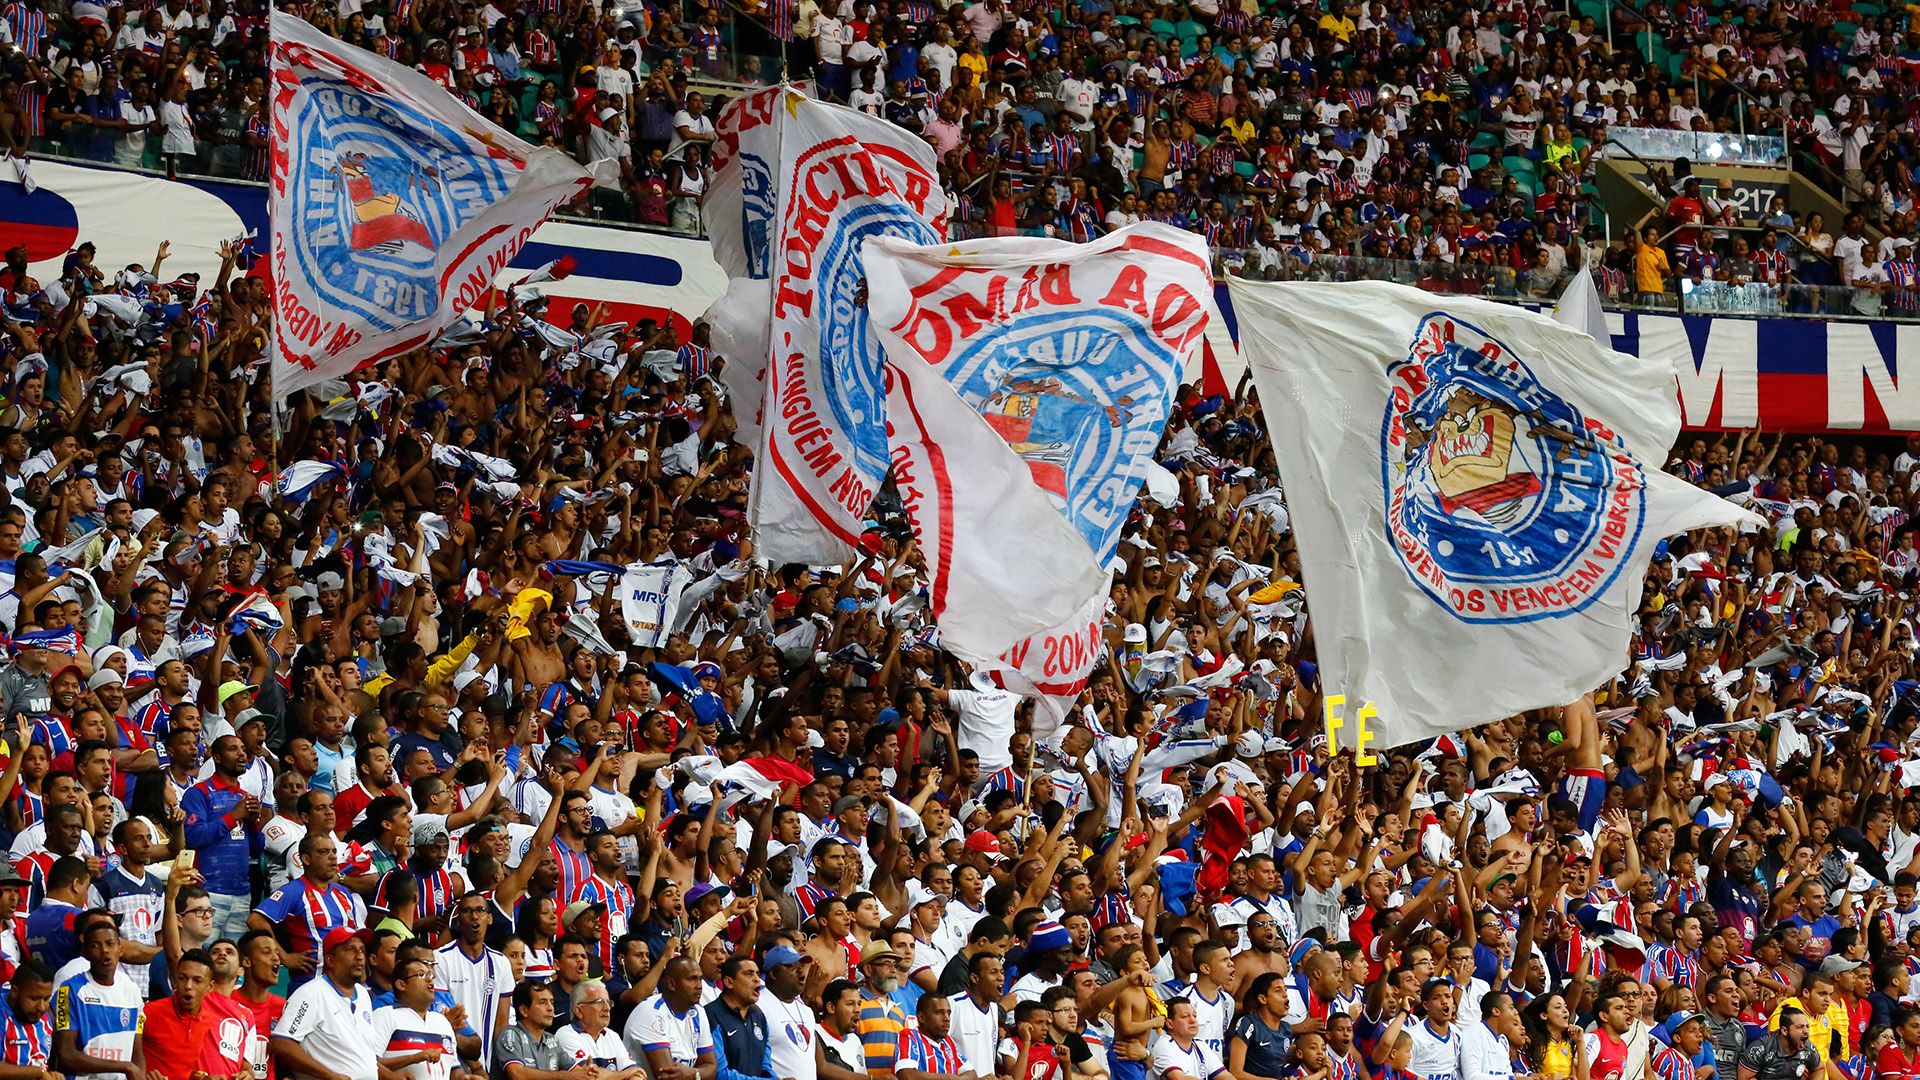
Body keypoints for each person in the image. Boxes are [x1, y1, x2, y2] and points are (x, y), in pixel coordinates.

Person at [271, 927, 382, 1080]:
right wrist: (329, 1075)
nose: (360, 957)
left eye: (362, 950)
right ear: (330, 960)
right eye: (351, 949)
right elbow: (281, 1042)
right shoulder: (311, 993)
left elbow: (361, 1054)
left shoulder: (363, 994)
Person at [132, 947, 254, 1080]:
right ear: (174, 981)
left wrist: (203, 1078)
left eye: (197, 980)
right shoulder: (149, 1013)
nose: (188, 985)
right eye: (182, 978)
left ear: (209, 987)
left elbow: (182, 1070)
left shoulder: (206, 1021)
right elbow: (126, 1054)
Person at [52, 920, 144, 1080]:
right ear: (85, 953)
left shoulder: (132, 991)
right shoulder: (69, 991)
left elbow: (137, 1052)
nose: (105, 951)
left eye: (110, 944)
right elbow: (66, 1055)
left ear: (120, 949)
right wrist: (125, 1067)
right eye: (95, 946)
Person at [435, 893, 515, 1072]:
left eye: (480, 910)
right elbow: (442, 1018)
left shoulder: (500, 962)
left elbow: (501, 1022)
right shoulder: (441, 958)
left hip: (487, 1064)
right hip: (451, 1062)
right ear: (458, 920)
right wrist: (474, 1065)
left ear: (490, 918)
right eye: (467, 911)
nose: (474, 916)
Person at [373, 956, 464, 1080]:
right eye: (421, 975)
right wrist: (415, 1058)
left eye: (431, 976)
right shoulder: (385, 1015)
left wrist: (466, 1078)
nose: (429, 980)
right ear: (401, 984)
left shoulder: (442, 1021)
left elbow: (454, 1069)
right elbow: (370, 1064)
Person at [623, 955, 714, 1079]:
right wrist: (698, 1074)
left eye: (700, 979)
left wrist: (694, 1074)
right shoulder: (651, 1013)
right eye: (692, 979)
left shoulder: (698, 1011)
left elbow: (711, 1067)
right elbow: (666, 1075)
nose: (699, 986)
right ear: (672, 984)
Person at [554, 982, 642, 1080]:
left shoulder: (612, 1035)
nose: (607, 1008)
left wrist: (630, 1073)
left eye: (608, 1003)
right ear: (579, 1011)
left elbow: (637, 1074)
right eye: (599, 1002)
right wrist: (625, 1074)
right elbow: (588, 1076)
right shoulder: (566, 1034)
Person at [492, 982, 568, 1080]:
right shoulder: (510, 1035)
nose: (551, 1008)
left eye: (552, 1002)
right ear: (524, 1010)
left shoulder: (552, 1040)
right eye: (543, 1002)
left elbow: (576, 1071)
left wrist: (588, 1072)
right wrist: (564, 1076)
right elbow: (517, 1074)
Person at [0, 960, 55, 1080]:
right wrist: (38, 1073)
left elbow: (40, 1063)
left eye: (46, 999)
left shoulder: (44, 1019)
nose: (41, 1007)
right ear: (15, 991)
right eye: (34, 998)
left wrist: (52, 1075)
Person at [1150, 999, 1230, 1080]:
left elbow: (1225, 1077)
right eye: (1185, 1017)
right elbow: (1179, 1078)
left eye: (1194, 1016)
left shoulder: (1201, 1045)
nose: (1193, 1020)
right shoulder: (1163, 1046)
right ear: (1170, 1024)